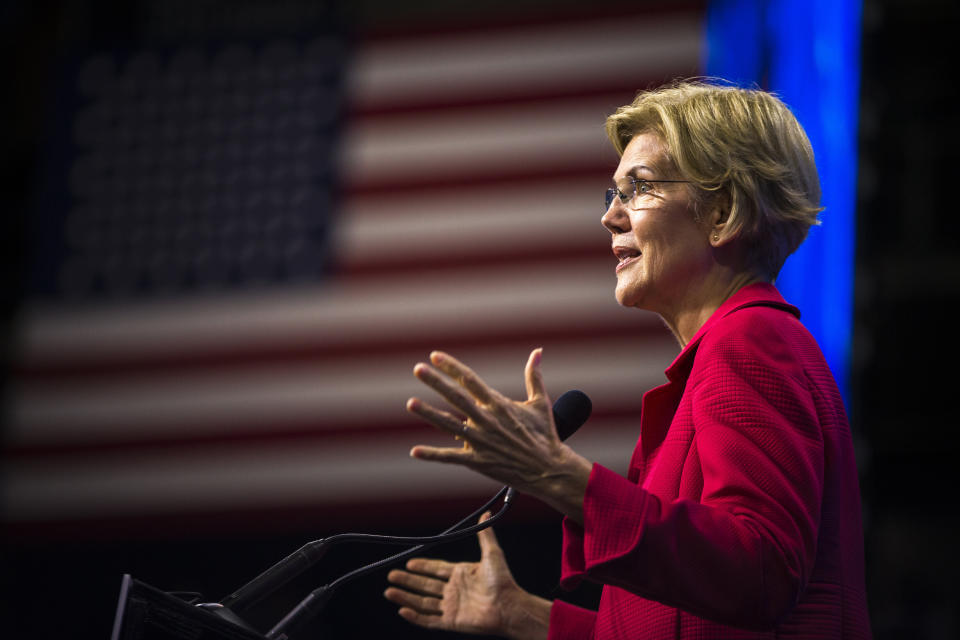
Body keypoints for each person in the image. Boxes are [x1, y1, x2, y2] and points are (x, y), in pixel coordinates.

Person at [382, 80, 871, 639]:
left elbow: (760, 573)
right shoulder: (718, 358)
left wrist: (561, 477)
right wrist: (525, 616)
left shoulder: (751, 342)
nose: (610, 218)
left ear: (725, 211)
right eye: (612, 193)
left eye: (637, 188)